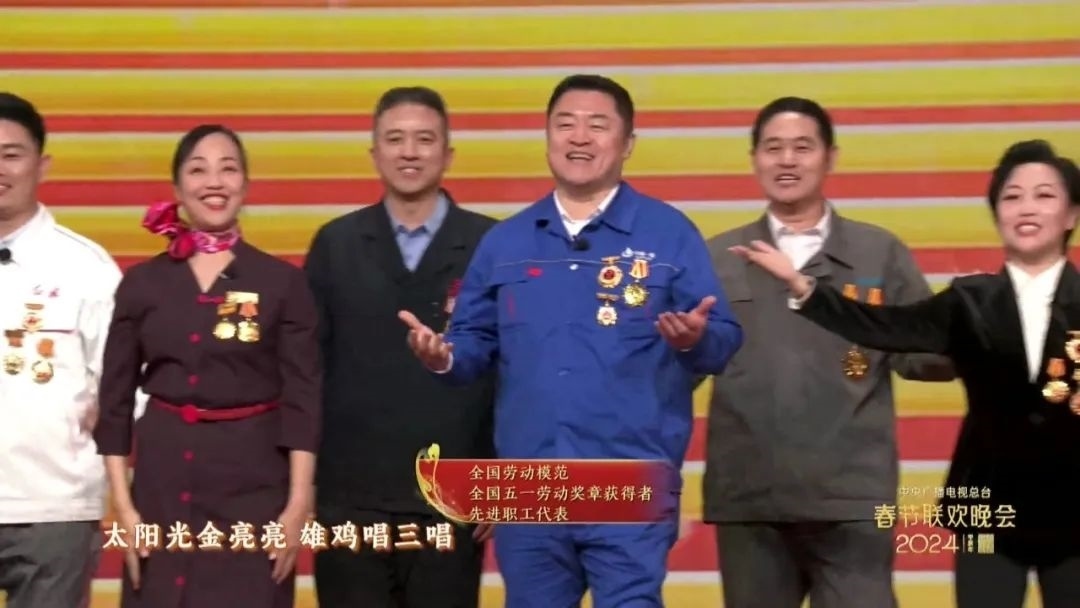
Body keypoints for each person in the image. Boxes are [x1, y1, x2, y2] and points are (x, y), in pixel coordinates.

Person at [398, 74, 744, 607]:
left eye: (597, 125)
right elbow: (470, 344)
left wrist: (693, 338)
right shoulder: (506, 241)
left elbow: (722, 338)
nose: (579, 137)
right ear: (547, 137)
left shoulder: (669, 233)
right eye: (565, 124)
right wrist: (442, 356)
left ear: (627, 143)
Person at [730, 139, 1080, 608]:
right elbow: (884, 325)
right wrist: (803, 286)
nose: (1027, 208)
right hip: (986, 507)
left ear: (1071, 214)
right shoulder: (969, 301)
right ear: (997, 213)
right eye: (1012, 196)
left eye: (1044, 195)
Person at [700, 96, 956, 608]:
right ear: (754, 159)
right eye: (773, 148)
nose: (787, 160)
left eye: (802, 147)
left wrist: (969, 330)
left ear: (830, 157)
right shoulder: (717, 257)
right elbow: (680, 366)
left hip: (853, 501)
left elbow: (926, 357)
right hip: (750, 500)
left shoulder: (877, 252)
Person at [93, 124, 322, 608]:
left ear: (246, 184)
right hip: (161, 484)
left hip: (255, 486)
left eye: (228, 169)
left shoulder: (281, 283)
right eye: (198, 170)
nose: (214, 182)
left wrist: (298, 505)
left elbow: (303, 399)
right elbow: (113, 403)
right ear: (178, 189)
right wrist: (124, 509)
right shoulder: (143, 284)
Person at [305, 86, 498, 608]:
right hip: (350, 500)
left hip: (451, 498)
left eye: (424, 139)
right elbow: (308, 371)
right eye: (395, 139)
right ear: (374, 153)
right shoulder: (335, 244)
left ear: (448, 154)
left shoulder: (491, 245)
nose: (409, 152)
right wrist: (304, 485)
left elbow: (513, 372)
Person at [0, 92, 121, 608]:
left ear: (41, 165)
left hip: (54, 508)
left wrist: (110, 408)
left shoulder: (86, 267)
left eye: (11, 154)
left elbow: (130, 380)